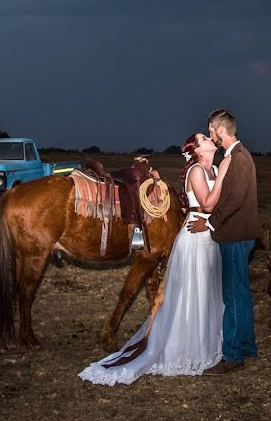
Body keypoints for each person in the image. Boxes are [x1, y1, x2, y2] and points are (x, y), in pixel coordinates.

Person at [79, 132, 231, 385]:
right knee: (190, 292)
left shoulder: (213, 167)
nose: (209, 139)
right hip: (197, 234)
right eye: (205, 138)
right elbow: (207, 205)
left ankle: (206, 343)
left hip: (209, 235)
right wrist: (225, 174)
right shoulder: (197, 171)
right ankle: (182, 347)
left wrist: (222, 173)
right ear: (196, 150)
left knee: (207, 290)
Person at [188, 109, 262, 375]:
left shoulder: (239, 158)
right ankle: (246, 346)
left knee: (232, 295)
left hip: (235, 235)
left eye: (210, 131)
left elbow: (234, 200)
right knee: (241, 293)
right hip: (239, 234)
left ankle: (232, 356)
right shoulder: (236, 157)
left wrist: (208, 223)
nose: (210, 135)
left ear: (220, 130)